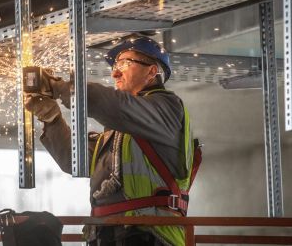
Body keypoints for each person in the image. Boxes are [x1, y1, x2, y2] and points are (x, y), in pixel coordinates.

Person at [25, 36, 200, 246]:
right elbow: (74, 161)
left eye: (125, 63)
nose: (115, 72)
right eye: (115, 65)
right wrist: (52, 119)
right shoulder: (119, 134)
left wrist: (60, 87)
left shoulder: (167, 108)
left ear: (152, 71)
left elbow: (112, 105)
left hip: (152, 236)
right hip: (109, 235)